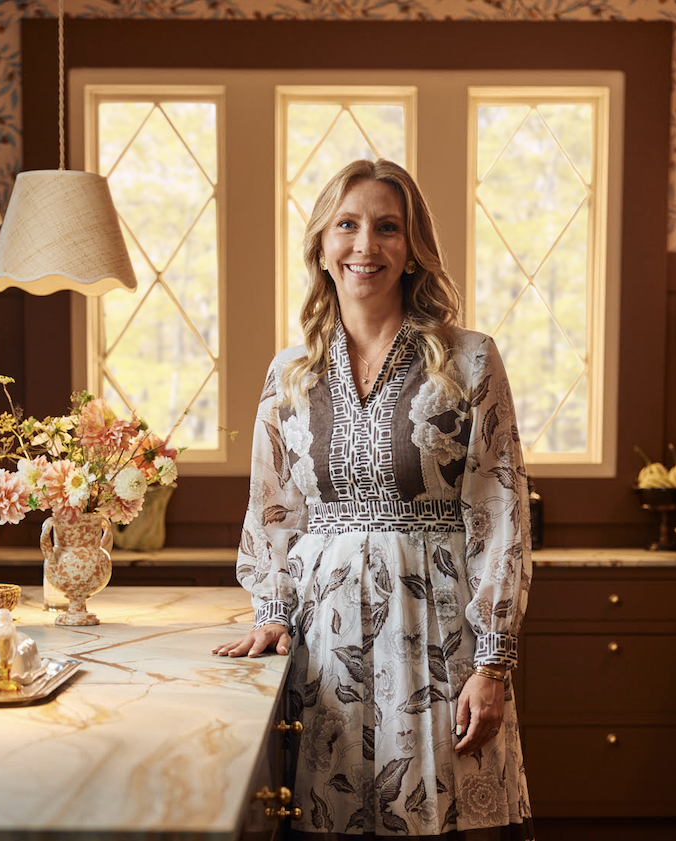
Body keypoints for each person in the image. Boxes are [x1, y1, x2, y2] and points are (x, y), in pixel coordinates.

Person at [214, 159, 534, 841]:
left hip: (437, 644)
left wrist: (492, 662)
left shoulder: (470, 358)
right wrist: (270, 611)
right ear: (322, 245)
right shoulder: (288, 370)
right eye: (348, 225)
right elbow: (271, 508)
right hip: (321, 648)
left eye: (387, 228)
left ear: (413, 248)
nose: (366, 245)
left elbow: (499, 513)